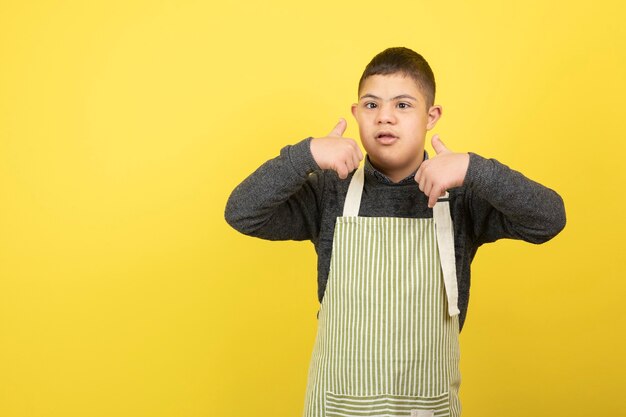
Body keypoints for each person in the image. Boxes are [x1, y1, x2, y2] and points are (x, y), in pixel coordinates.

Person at [224, 47, 566, 417]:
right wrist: (305, 155)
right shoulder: (329, 190)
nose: (384, 117)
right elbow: (242, 213)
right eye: (371, 106)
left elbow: (549, 218)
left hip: (428, 406)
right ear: (356, 114)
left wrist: (473, 168)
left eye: (403, 105)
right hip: (338, 405)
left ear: (431, 116)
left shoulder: (462, 195)